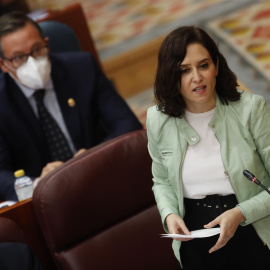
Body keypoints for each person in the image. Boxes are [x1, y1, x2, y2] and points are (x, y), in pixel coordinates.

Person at [146, 26, 270, 270]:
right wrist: (169, 214)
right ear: (171, 75)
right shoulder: (157, 120)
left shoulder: (251, 109)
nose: (197, 77)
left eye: (203, 65)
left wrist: (241, 213)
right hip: (194, 231)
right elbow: (161, 181)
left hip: (252, 222)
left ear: (216, 67)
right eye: (184, 70)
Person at [0, 11, 142, 202]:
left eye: (37, 50)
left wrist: (93, 156)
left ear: (47, 44)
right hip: (46, 203)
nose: (32, 62)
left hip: (100, 178)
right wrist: (38, 183)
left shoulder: (82, 68)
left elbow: (127, 124)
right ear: (3, 64)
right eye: (19, 58)